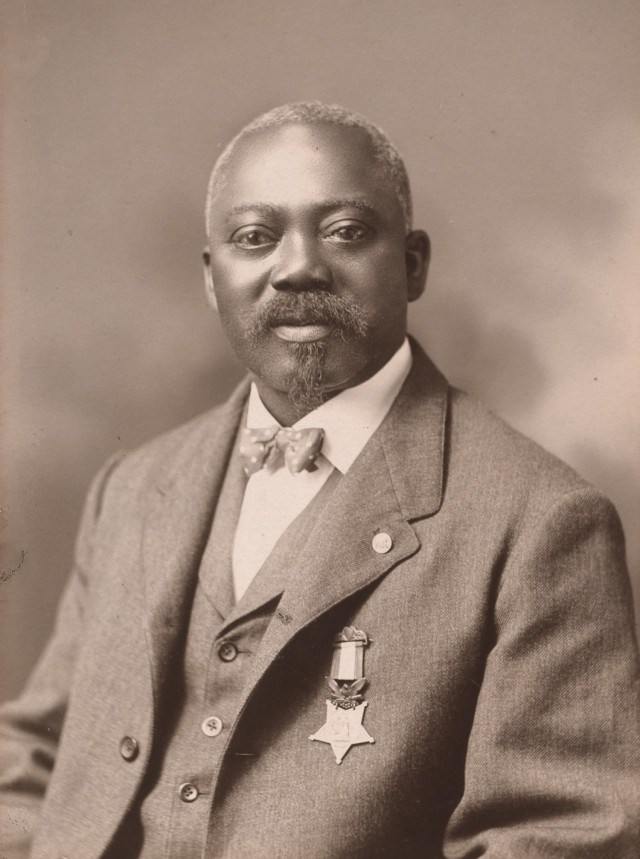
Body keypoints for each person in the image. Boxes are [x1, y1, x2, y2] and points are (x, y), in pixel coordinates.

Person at [1, 102, 639, 859]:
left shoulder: (542, 522)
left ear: (413, 264)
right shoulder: (131, 489)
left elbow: (561, 838)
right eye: (254, 237)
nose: (298, 265)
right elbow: (32, 761)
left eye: (345, 231)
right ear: (213, 278)